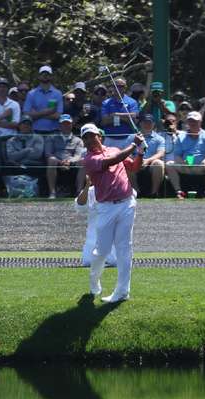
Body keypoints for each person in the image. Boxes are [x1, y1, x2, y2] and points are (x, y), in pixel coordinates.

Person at [80, 122, 144, 303]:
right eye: (85, 137)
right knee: (102, 251)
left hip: (126, 204)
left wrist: (140, 152)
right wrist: (134, 144)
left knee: (125, 248)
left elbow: (134, 167)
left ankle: (122, 292)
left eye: (92, 135)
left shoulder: (115, 149)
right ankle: (94, 281)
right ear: (83, 142)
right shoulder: (89, 160)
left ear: (99, 135)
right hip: (106, 208)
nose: (90, 139)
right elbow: (112, 161)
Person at [165, 111, 205, 198]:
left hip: (202, 166)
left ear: (200, 122)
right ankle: (179, 192)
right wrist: (183, 162)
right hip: (186, 166)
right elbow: (177, 155)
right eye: (190, 121)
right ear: (187, 122)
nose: (193, 123)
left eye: (195, 121)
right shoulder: (181, 136)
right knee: (169, 164)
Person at [44, 114, 86, 198]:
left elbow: (78, 155)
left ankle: (79, 192)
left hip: (72, 163)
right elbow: (48, 153)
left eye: (68, 124)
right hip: (56, 162)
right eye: (63, 124)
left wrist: (68, 162)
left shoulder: (78, 140)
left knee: (83, 161)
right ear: (59, 126)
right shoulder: (51, 138)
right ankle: (52, 193)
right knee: (51, 159)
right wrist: (60, 162)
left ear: (71, 125)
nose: (66, 126)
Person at [125, 114, 165, 198]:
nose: (147, 124)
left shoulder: (159, 138)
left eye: (150, 122)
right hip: (136, 162)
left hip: (151, 163)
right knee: (127, 163)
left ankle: (154, 193)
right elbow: (127, 152)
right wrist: (137, 160)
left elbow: (160, 153)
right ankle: (136, 193)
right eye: (145, 122)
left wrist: (147, 161)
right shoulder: (131, 137)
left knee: (159, 163)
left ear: (154, 124)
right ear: (140, 123)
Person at [100, 78, 139, 148]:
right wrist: (126, 118)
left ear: (125, 87)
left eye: (121, 86)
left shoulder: (132, 102)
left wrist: (115, 115)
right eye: (116, 86)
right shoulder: (106, 103)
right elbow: (104, 121)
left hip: (127, 138)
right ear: (112, 87)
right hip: (109, 138)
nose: (118, 88)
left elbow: (134, 119)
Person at [23, 65, 63, 135]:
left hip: (53, 132)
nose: (45, 75)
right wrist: (49, 111)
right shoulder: (31, 93)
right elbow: (27, 115)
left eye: (47, 74)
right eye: (43, 73)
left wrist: (36, 114)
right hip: (35, 131)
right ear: (39, 76)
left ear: (51, 76)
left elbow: (58, 115)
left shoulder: (58, 93)